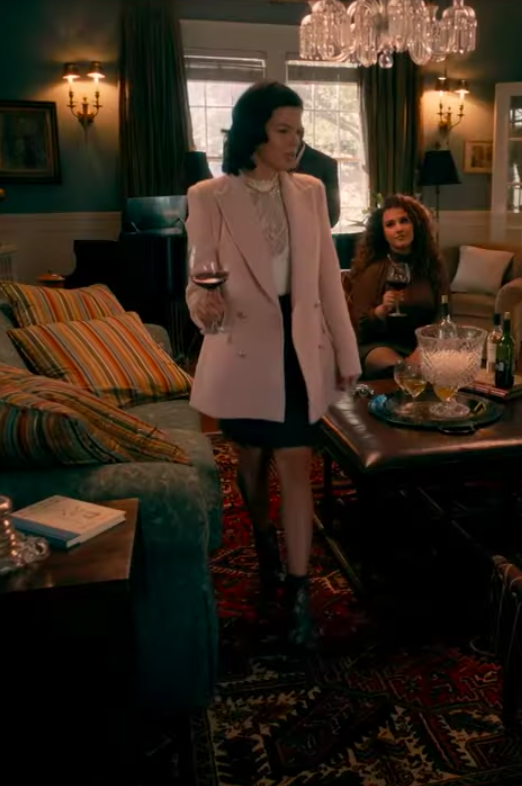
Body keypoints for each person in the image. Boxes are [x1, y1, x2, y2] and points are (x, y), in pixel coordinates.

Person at [185, 81, 361, 648]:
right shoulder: (209, 196)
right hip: (243, 348)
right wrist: (203, 303)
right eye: (284, 130)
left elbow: (328, 279)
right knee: (253, 465)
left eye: (299, 131)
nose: (296, 142)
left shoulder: (310, 191)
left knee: (296, 463)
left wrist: (347, 352)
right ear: (253, 133)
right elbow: (198, 277)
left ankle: (298, 589)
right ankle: (264, 543)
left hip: (301, 345)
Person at [345, 194, 447, 379]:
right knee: (399, 367)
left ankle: (412, 373)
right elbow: (360, 327)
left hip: (422, 345)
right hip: (381, 346)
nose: (398, 229)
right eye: (390, 224)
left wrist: (423, 347)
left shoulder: (432, 267)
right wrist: (381, 311)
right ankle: (408, 371)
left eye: (404, 221)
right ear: (383, 233)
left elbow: (443, 313)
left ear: (416, 225)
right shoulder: (374, 270)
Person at [294, 130, 341, 227]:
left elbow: (331, 216)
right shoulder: (269, 160)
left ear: (300, 134)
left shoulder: (325, 164)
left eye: (283, 131)